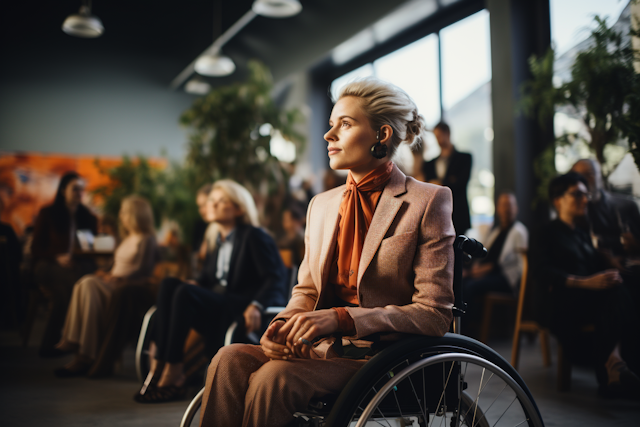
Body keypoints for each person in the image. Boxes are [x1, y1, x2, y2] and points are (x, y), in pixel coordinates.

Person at [198, 78, 455, 427]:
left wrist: (341, 318)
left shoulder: (427, 201)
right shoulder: (321, 205)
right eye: (331, 124)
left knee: (273, 379)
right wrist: (282, 327)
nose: (328, 135)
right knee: (228, 359)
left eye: (345, 124)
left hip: (380, 359)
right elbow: (305, 291)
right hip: (319, 351)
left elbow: (434, 314)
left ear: (381, 135)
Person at [135, 180, 287, 403]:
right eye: (211, 201)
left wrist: (257, 304)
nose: (213, 205)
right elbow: (208, 277)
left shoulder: (254, 236)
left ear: (238, 208)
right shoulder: (218, 237)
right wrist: (195, 282)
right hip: (218, 302)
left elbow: (275, 278)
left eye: (221, 201)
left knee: (184, 293)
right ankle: (162, 362)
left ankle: (174, 370)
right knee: (170, 285)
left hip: (238, 307)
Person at [530, 172, 640, 397]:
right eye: (578, 194)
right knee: (617, 293)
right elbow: (542, 272)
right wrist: (585, 282)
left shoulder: (581, 234)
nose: (585, 199)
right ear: (558, 200)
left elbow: (595, 266)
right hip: (561, 300)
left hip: (592, 299)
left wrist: (610, 262)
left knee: (629, 285)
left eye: (586, 194)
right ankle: (614, 368)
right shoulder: (545, 231)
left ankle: (615, 365)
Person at [54, 195, 158, 377]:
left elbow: (143, 270)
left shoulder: (147, 239)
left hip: (123, 288)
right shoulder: (126, 238)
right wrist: (106, 272)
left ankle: (78, 349)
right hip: (112, 281)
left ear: (137, 214)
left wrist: (114, 277)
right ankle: (80, 352)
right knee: (85, 283)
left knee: (88, 284)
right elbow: (115, 264)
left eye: (125, 212)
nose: (121, 216)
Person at [30, 172, 98, 357]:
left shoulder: (88, 217)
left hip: (74, 267)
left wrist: (75, 259)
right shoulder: (48, 213)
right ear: (62, 191)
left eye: (81, 189)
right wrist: (56, 257)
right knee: (76, 282)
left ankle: (53, 343)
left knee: (66, 290)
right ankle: (76, 341)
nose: (79, 193)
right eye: (75, 189)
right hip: (48, 264)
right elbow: (36, 248)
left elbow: (91, 251)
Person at [463, 192, 528, 317]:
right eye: (503, 205)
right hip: (489, 274)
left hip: (506, 279)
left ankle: (469, 330)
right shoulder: (496, 231)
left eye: (509, 205)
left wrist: (484, 270)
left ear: (516, 208)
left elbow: (516, 265)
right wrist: (472, 270)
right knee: (461, 282)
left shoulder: (519, 231)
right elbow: (484, 254)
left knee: (470, 286)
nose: (506, 209)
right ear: (498, 208)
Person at [571, 158, 640, 256]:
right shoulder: (573, 211)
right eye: (578, 176)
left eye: (589, 174)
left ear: (600, 176)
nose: (584, 180)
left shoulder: (626, 206)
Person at [422, 122, 472, 235]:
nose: (438, 140)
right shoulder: (429, 164)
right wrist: (448, 182)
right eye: (436, 137)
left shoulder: (464, 158)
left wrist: (438, 183)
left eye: (439, 136)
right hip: (436, 216)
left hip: (458, 215)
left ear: (448, 134)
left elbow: (460, 184)